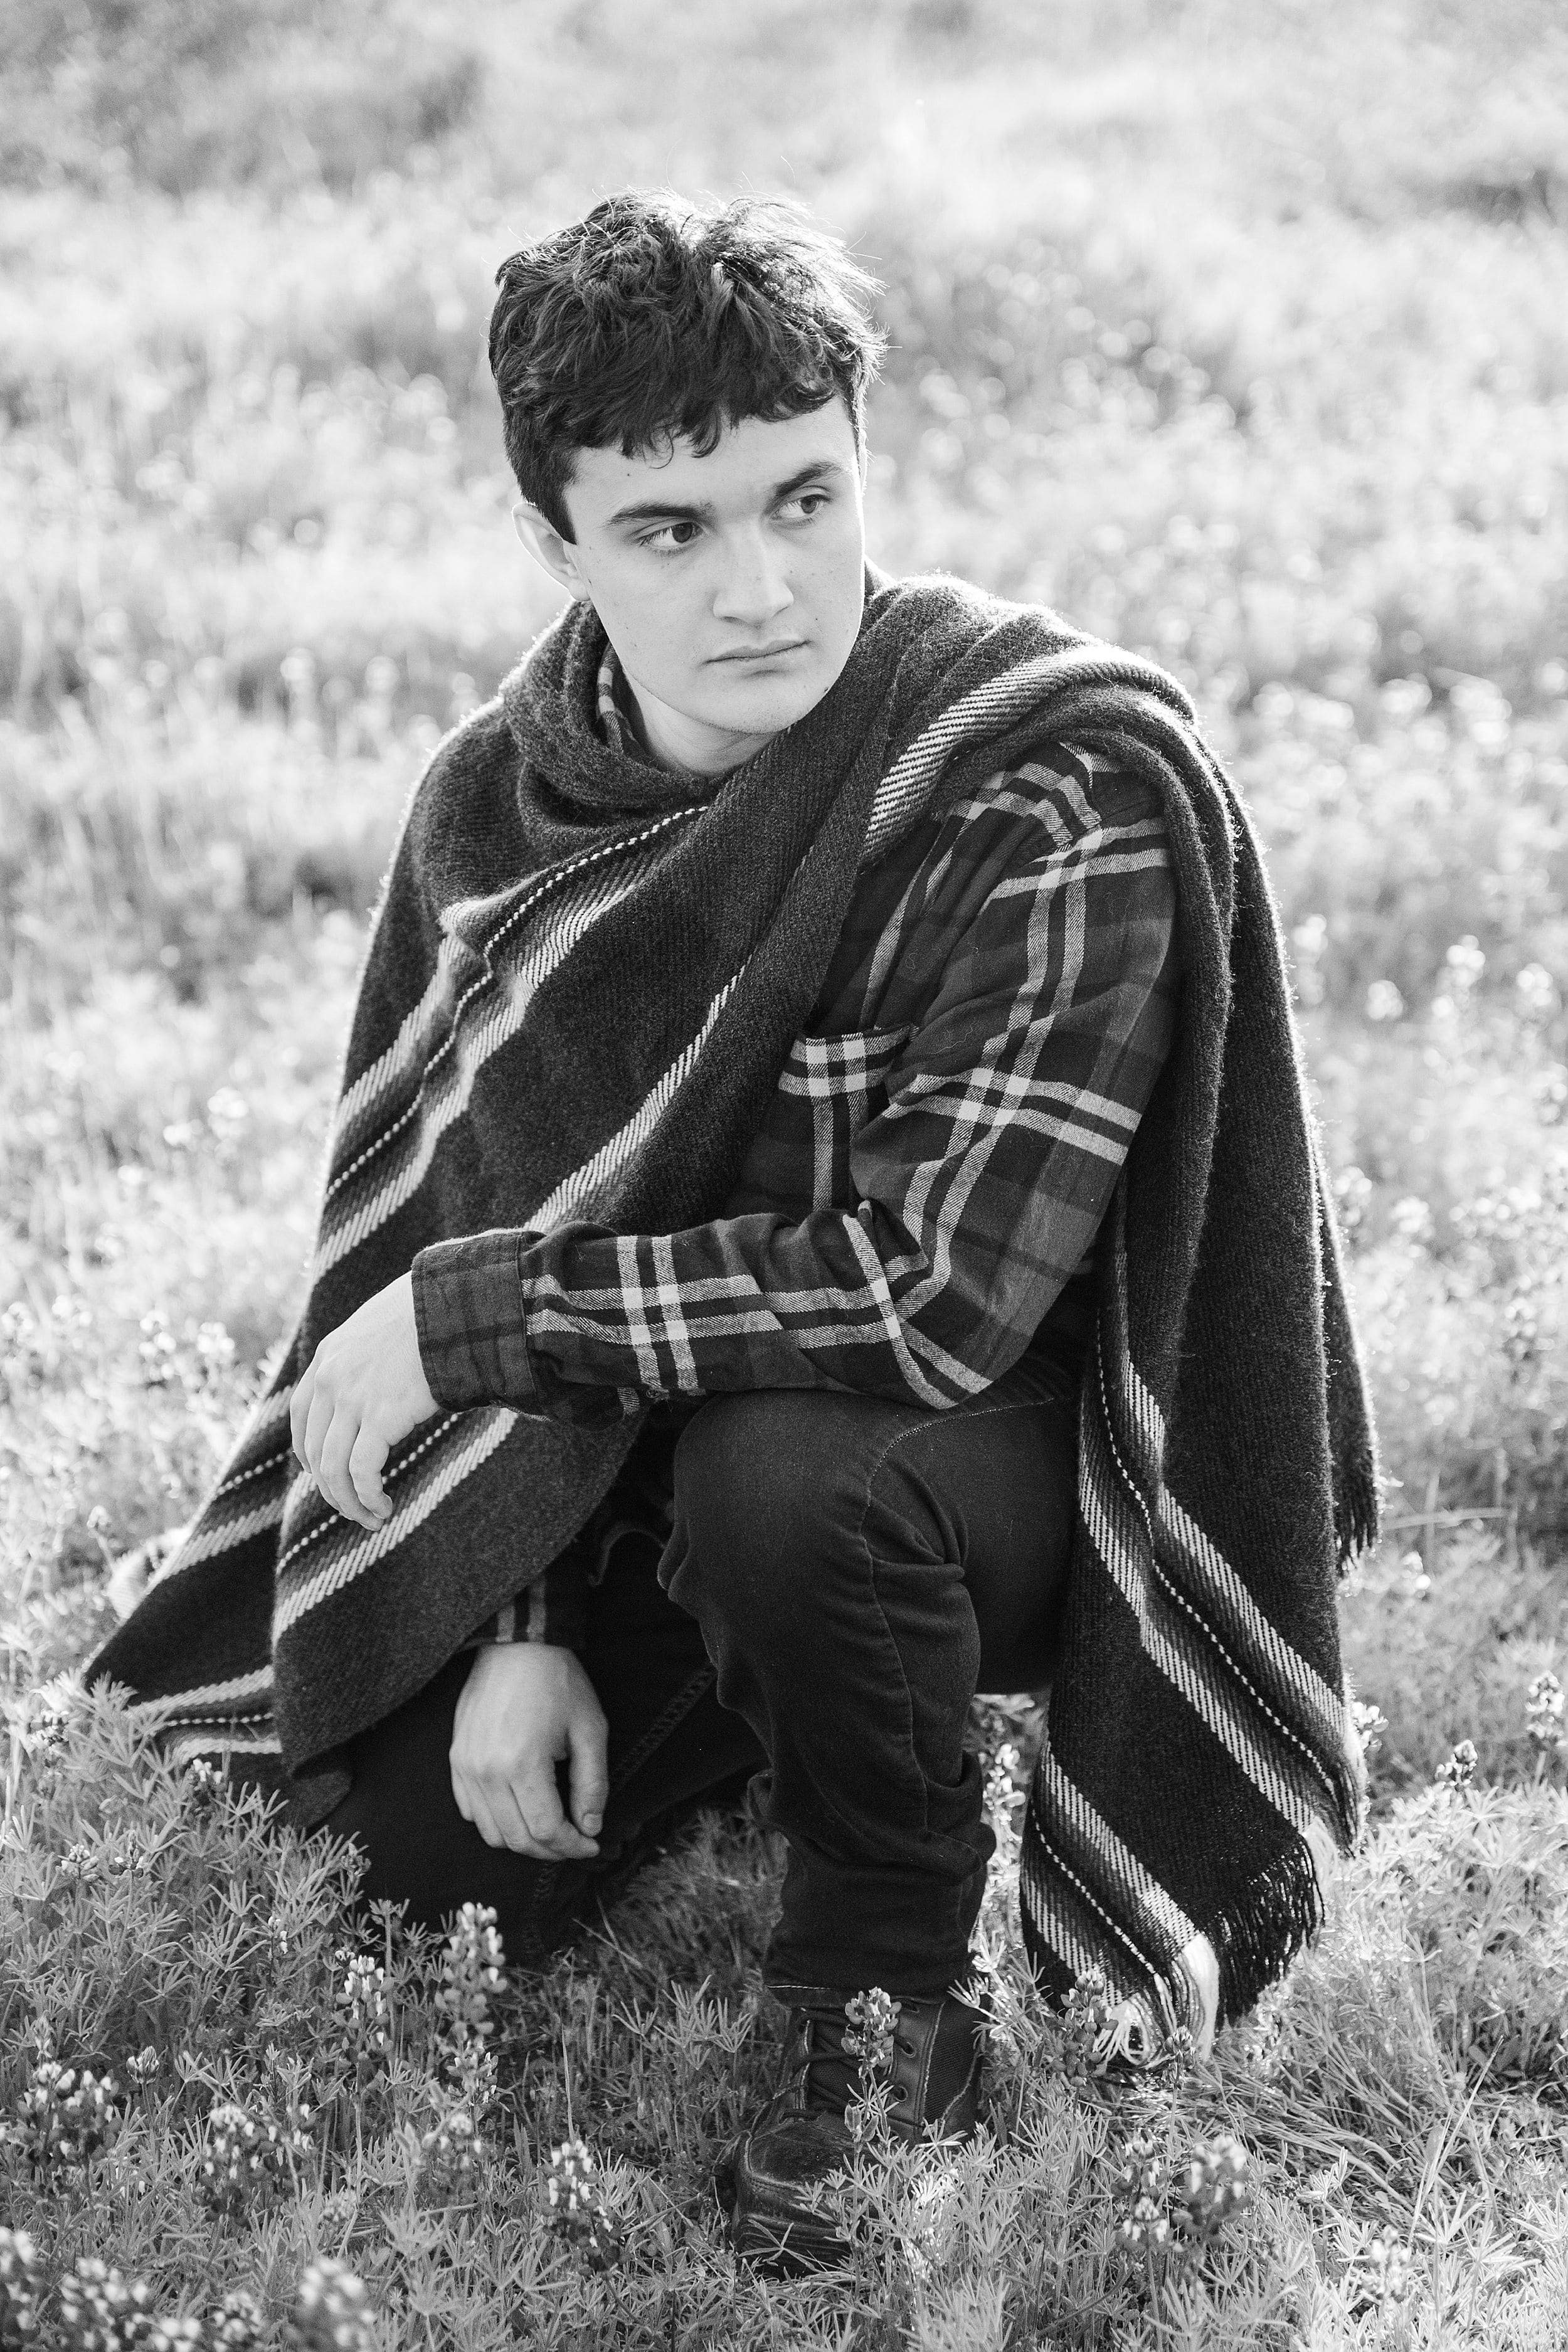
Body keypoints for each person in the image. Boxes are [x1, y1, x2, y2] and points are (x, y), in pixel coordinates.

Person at [88, 189, 1375, 2275]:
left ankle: (882, 1973)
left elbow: (928, 1298)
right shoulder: (501, 808)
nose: (762, 587)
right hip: (631, 1430)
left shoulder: (1045, 774)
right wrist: (501, 1625)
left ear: (863, 460)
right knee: (399, 1857)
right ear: (562, 546)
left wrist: (480, 1324)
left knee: (794, 1475)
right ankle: (732, 1695)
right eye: (672, 530)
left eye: (804, 498)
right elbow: (473, 1184)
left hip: (995, 1447)